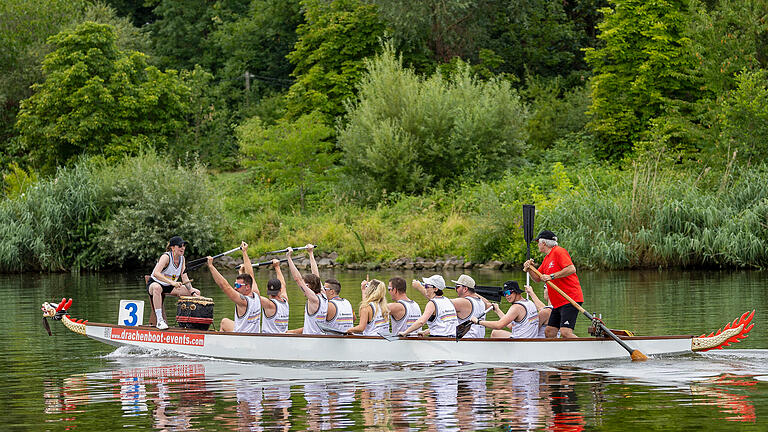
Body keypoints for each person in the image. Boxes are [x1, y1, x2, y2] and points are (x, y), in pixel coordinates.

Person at [523, 230, 584, 338]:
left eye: (538, 242)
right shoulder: (546, 259)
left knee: (565, 332)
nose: (538, 245)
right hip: (558, 303)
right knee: (549, 332)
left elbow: (571, 269)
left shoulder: (559, 251)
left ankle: (585, 351)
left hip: (570, 298)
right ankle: (555, 354)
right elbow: (537, 278)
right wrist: (530, 269)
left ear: (544, 243)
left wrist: (551, 276)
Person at [146, 235, 200, 330]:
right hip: (155, 283)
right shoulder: (166, 257)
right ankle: (159, 321)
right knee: (157, 288)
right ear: (173, 248)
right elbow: (156, 273)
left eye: (184, 246)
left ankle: (189, 323)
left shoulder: (182, 259)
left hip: (170, 286)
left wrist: (192, 292)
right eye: (180, 246)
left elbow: (184, 277)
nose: (183, 248)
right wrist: (172, 282)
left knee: (197, 292)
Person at [207, 241, 262, 333]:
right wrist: (244, 252)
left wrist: (211, 266)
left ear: (247, 287)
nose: (235, 288)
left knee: (224, 322)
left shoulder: (243, 301)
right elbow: (250, 274)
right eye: (235, 285)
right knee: (225, 322)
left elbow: (225, 286)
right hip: (253, 336)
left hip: (242, 339)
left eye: (238, 285)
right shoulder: (256, 294)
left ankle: (222, 345)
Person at [470, 281, 539, 338]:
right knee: (495, 333)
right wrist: (497, 310)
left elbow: (498, 325)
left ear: (516, 292)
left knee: (496, 331)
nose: (507, 296)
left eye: (508, 292)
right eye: (504, 293)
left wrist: (478, 321)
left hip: (520, 343)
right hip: (529, 340)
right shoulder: (529, 302)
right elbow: (511, 326)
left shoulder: (516, 307)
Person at [285, 244, 326, 334]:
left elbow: (297, 279)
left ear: (308, 286)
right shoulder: (324, 294)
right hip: (320, 337)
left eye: (306, 285)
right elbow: (316, 273)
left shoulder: (314, 299)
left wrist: (289, 258)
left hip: (311, 340)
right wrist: (311, 253)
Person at [450, 274, 492, 338]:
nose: (455, 289)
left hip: (466, 342)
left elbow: (441, 304)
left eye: (457, 286)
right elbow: (489, 304)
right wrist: (473, 292)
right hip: (479, 340)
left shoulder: (463, 302)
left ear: (465, 289)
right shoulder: (482, 303)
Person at [260, 259, 290, 334]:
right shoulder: (285, 300)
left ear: (267, 289)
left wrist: (242, 272)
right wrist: (277, 267)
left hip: (269, 339)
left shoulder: (269, 304)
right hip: (282, 337)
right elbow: (283, 284)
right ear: (280, 290)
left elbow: (253, 292)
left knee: (225, 322)